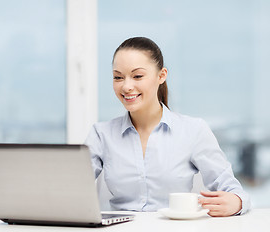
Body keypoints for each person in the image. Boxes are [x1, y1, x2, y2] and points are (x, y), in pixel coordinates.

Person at [85, 37, 250, 217]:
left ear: (161, 76)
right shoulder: (101, 134)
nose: (126, 86)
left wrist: (236, 201)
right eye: (118, 77)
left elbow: (233, 189)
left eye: (137, 76)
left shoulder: (193, 130)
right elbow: (69, 189)